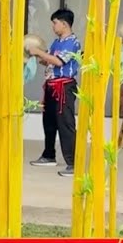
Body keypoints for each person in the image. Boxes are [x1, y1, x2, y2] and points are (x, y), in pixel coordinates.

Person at [28, 9, 80, 174]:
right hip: (51, 85)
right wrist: (36, 56)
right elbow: (50, 61)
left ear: (64, 24)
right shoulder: (56, 42)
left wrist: (38, 52)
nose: (53, 26)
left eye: (55, 23)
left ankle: (73, 163)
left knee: (65, 124)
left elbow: (59, 62)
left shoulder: (73, 42)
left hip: (64, 86)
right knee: (49, 122)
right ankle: (49, 155)